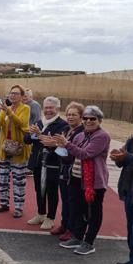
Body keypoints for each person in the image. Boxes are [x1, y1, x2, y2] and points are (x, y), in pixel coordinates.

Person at [54, 106, 110, 255]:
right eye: (85, 118)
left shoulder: (102, 136)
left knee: (93, 213)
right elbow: (71, 155)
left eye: (93, 119)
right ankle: (78, 237)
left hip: (94, 182)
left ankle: (89, 242)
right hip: (76, 178)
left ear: (100, 120)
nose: (88, 121)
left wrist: (66, 144)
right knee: (78, 209)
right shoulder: (80, 136)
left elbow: (85, 154)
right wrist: (59, 146)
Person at [24, 97, 68, 230]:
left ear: (57, 108)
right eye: (46, 107)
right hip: (38, 162)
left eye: (51, 108)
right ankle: (41, 213)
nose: (48, 110)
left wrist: (39, 134)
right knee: (39, 189)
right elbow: (27, 140)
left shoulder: (63, 125)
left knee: (51, 191)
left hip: (53, 163)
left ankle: (51, 217)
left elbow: (54, 142)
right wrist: (32, 134)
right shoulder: (39, 122)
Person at [0, 85, 31, 218]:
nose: (12, 95)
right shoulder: (6, 109)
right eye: (11, 93)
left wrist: (8, 112)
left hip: (18, 150)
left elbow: (21, 123)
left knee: (18, 180)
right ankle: (4, 204)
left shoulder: (25, 109)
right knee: (2, 179)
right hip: (5, 149)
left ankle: (19, 208)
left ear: (21, 96)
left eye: (15, 93)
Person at [51, 102, 85, 241]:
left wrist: (61, 147)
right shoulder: (65, 129)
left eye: (74, 115)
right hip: (63, 168)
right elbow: (60, 145)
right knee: (65, 199)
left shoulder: (81, 132)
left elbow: (73, 151)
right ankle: (64, 225)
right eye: (69, 114)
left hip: (74, 170)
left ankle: (72, 229)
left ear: (81, 117)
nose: (70, 117)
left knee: (73, 202)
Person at [110, 133, 133, 264]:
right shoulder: (132, 139)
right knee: (131, 231)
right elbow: (123, 160)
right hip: (129, 191)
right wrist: (118, 156)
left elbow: (129, 159)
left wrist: (127, 158)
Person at [23, 89, 42, 175]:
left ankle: (30, 168)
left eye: (26, 96)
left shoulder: (34, 105)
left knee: (32, 149)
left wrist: (32, 130)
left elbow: (36, 119)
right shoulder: (24, 105)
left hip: (32, 130)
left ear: (31, 97)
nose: (24, 98)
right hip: (26, 129)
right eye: (23, 96)